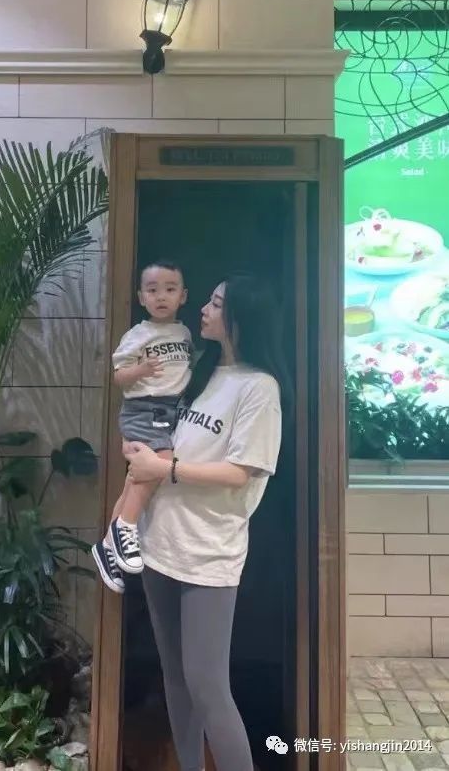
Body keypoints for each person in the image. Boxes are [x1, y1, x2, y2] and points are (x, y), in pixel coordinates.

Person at [122, 273, 286, 771]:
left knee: (208, 685)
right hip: (160, 543)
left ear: (239, 318)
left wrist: (164, 469)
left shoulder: (259, 388)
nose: (204, 310)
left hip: (209, 554)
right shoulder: (202, 371)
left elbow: (241, 472)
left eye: (216, 304)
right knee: (175, 677)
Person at [91, 259, 192, 594]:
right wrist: (141, 370)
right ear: (141, 297)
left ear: (183, 296)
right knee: (159, 462)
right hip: (144, 407)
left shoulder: (184, 333)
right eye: (152, 290)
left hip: (171, 408)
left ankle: (107, 547)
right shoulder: (137, 335)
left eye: (170, 289)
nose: (161, 296)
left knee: (136, 477)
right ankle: (126, 527)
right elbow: (119, 376)